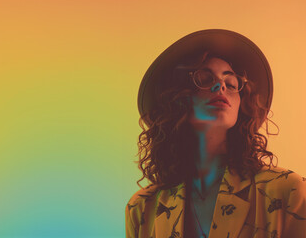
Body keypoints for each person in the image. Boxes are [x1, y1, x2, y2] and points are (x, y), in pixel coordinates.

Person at [125, 29, 306, 238]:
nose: (220, 86)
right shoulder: (142, 208)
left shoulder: (288, 191)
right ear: (178, 98)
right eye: (204, 78)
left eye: (231, 84)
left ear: (241, 104)